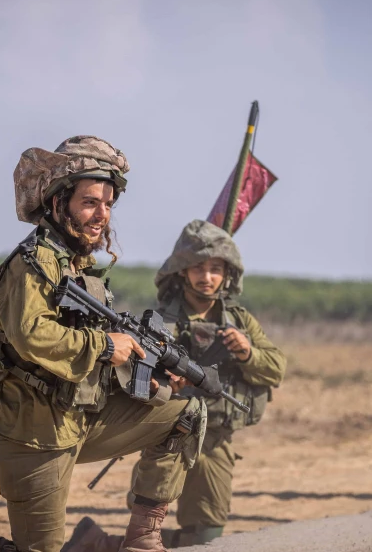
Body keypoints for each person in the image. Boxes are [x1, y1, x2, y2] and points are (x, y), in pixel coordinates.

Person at [0, 136, 206, 552]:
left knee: (186, 412)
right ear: (57, 202)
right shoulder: (31, 263)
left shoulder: (75, 264)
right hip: (35, 435)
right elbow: (32, 336)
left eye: (107, 204)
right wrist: (105, 346)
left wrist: (152, 368)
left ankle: (141, 541)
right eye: (89, 202)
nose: (101, 214)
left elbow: (92, 353)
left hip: (82, 419)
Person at [62, 219, 286, 551]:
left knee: (206, 539)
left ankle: (99, 544)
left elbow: (275, 370)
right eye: (197, 267)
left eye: (215, 268)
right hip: (172, 438)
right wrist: (167, 388)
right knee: (150, 524)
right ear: (182, 271)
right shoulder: (162, 323)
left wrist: (246, 351)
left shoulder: (237, 320)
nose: (206, 276)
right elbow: (136, 383)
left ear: (228, 274)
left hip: (215, 442)